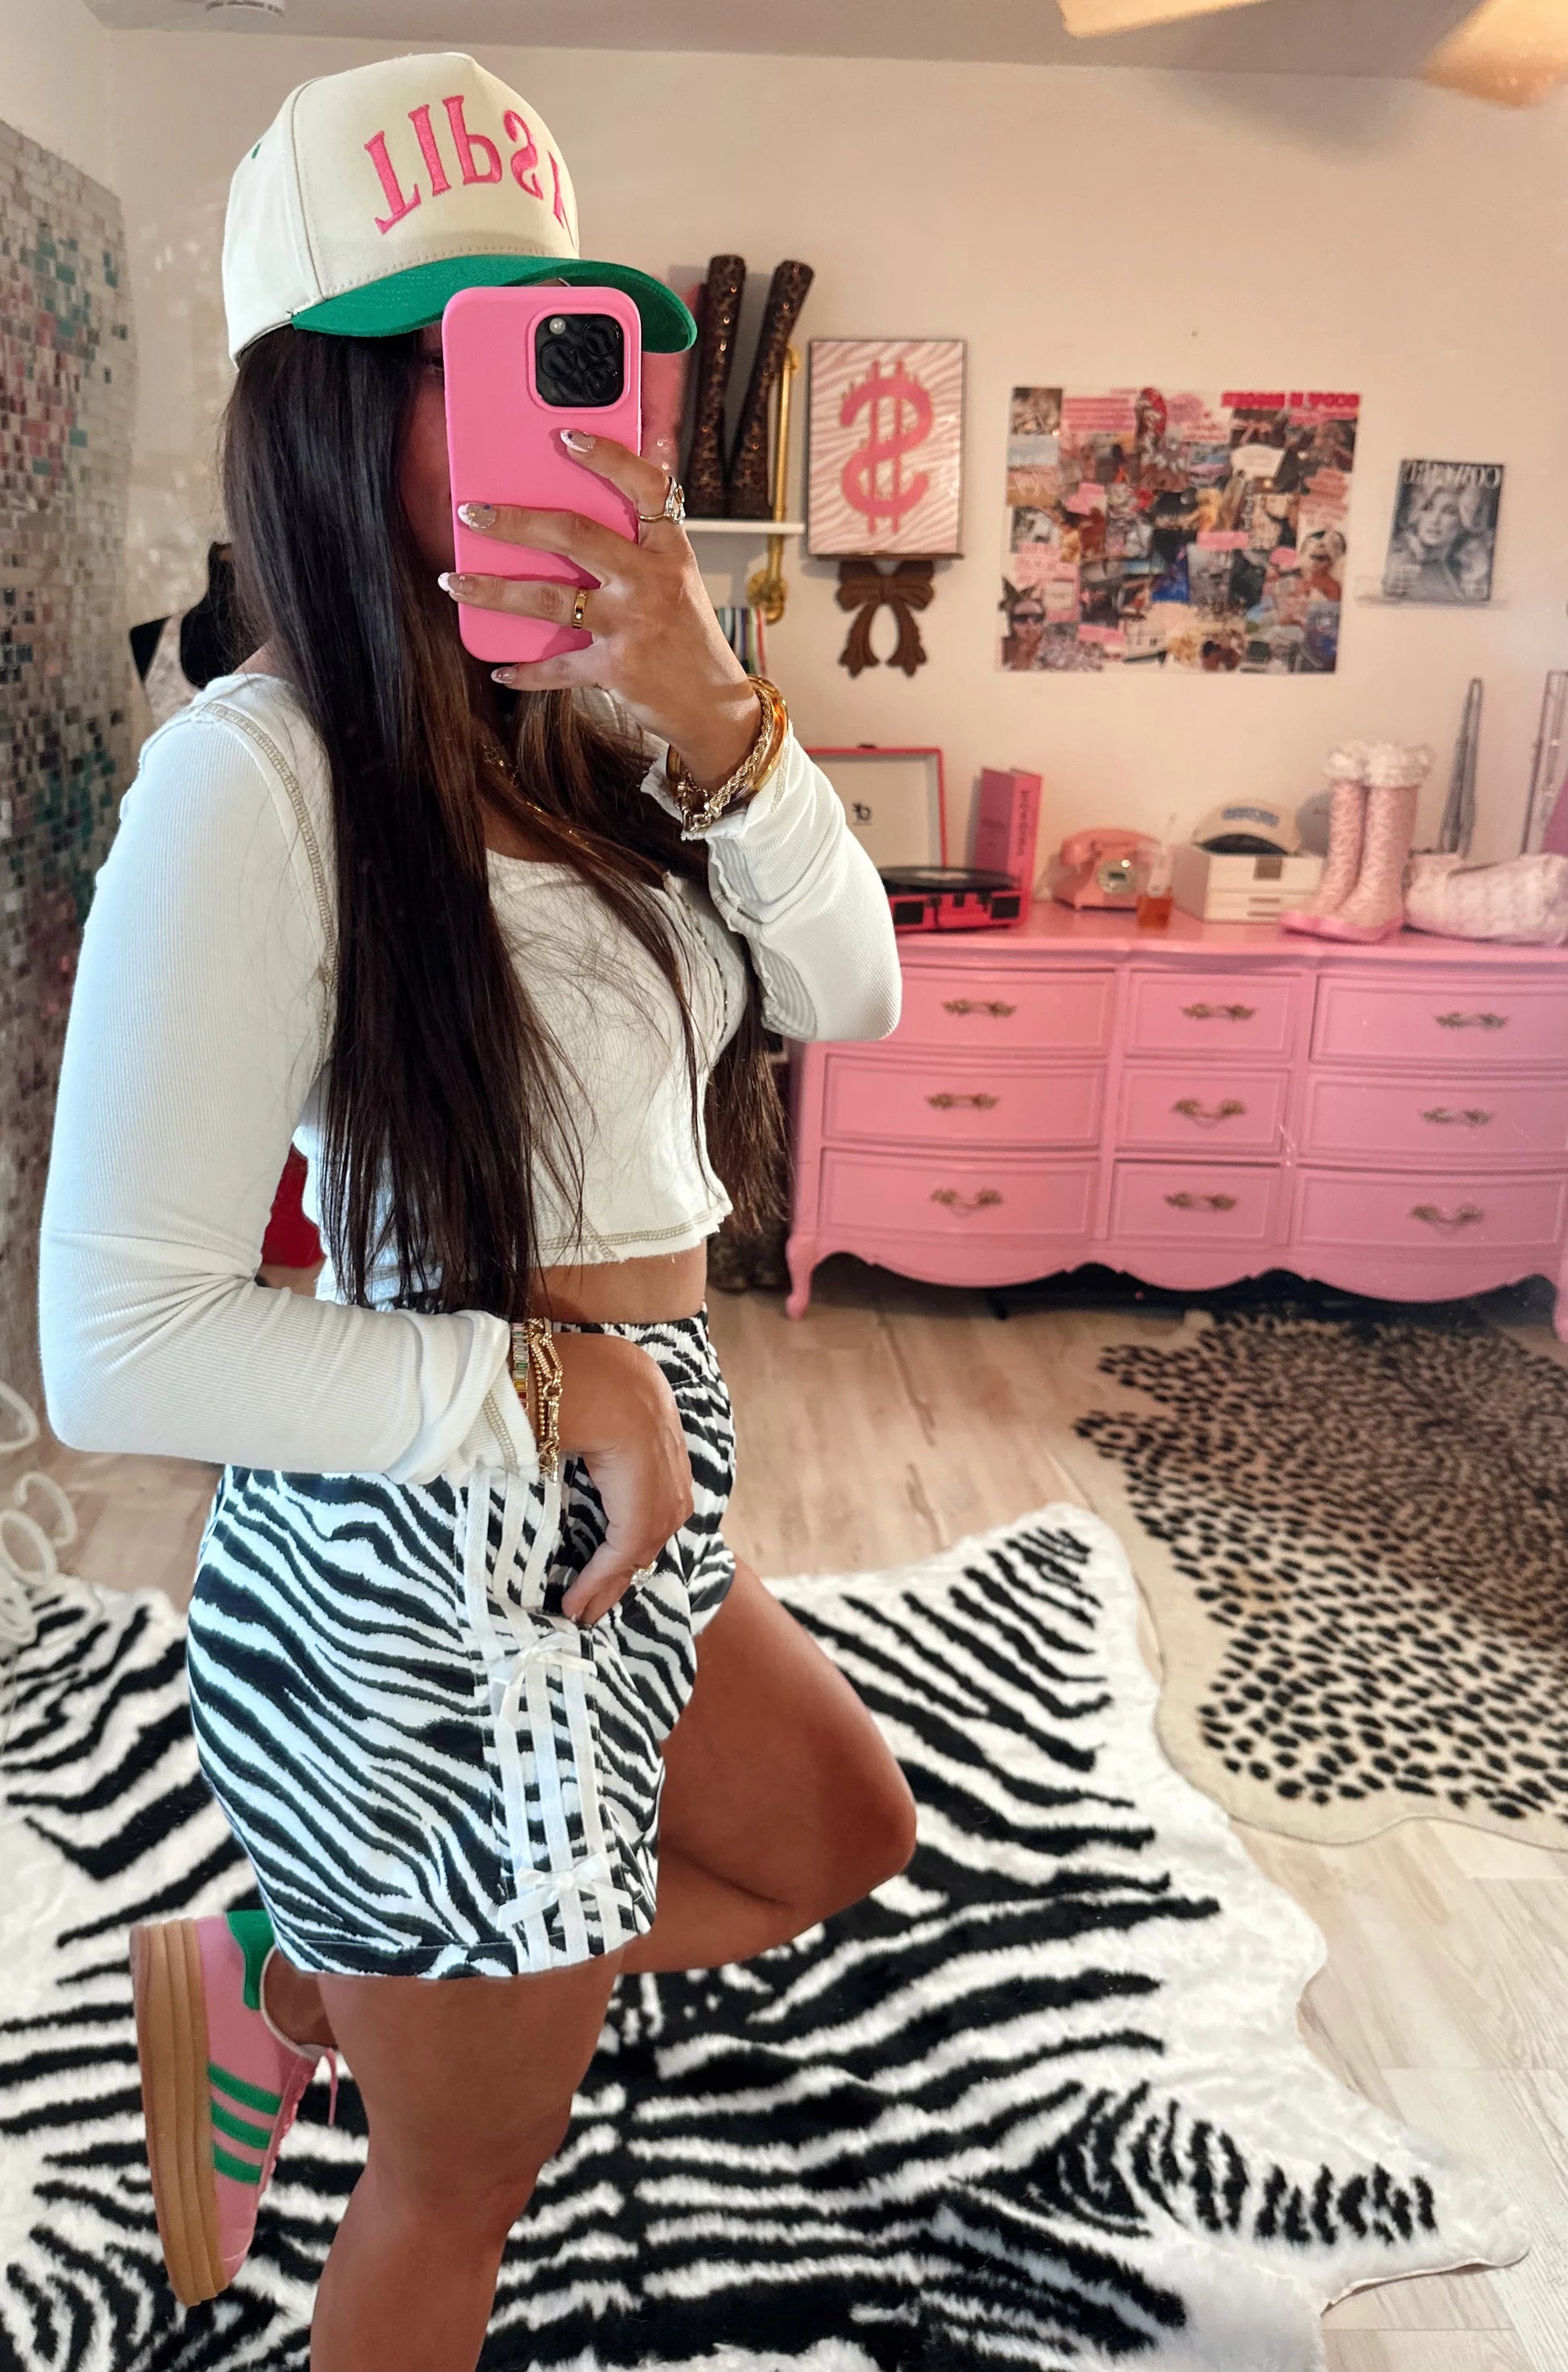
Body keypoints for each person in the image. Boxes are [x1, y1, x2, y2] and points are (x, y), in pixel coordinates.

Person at [38, 52, 915, 2372]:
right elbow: (112, 1345)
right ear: (324, 415)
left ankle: (308, 1971)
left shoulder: (603, 725)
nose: (551, 410)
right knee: (458, 2192)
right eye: (456, 355)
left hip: (629, 1476)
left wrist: (712, 703)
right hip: (435, 1536)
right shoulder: (250, 784)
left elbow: (850, 989)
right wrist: (551, 1377)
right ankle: (378, 1993)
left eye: (564, 346)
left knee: (837, 1833)